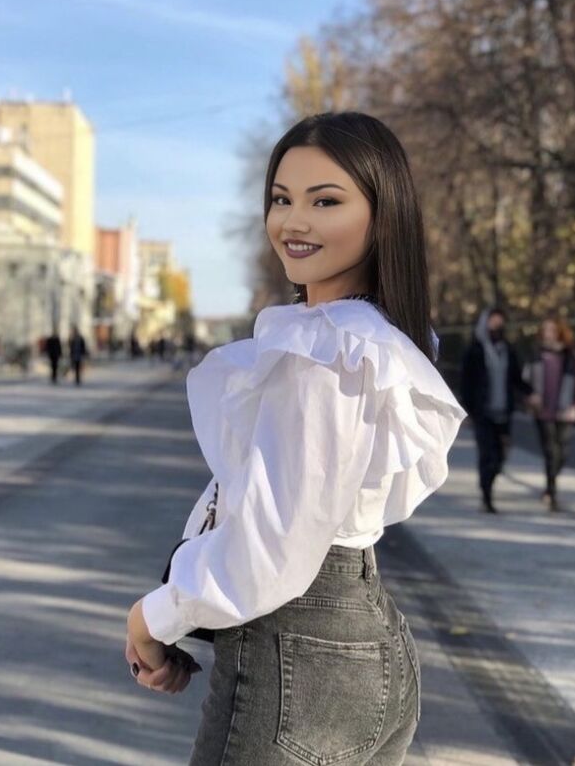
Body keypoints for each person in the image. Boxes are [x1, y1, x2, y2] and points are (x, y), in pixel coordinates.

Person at [125, 111, 468, 765]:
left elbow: (272, 548)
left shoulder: (325, 350)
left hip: (297, 649)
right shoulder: (380, 342)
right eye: (282, 199)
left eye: (325, 201)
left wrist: (153, 615)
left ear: (383, 215)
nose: (294, 221)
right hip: (372, 640)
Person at [460, 306, 541, 513]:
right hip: (483, 412)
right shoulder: (475, 350)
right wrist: (467, 410)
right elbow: (466, 382)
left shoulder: (508, 350)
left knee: (500, 456)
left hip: (503, 412)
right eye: (493, 321)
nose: (497, 326)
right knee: (487, 455)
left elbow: (516, 377)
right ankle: (486, 496)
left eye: (500, 322)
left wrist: (530, 393)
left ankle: (489, 484)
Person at [522, 313, 575, 511]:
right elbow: (525, 379)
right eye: (545, 330)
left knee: (563, 452)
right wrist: (530, 396)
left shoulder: (570, 354)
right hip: (542, 411)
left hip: (565, 410)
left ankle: (549, 487)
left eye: (552, 330)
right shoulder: (535, 353)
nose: (548, 333)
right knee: (550, 451)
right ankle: (551, 493)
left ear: (560, 331)